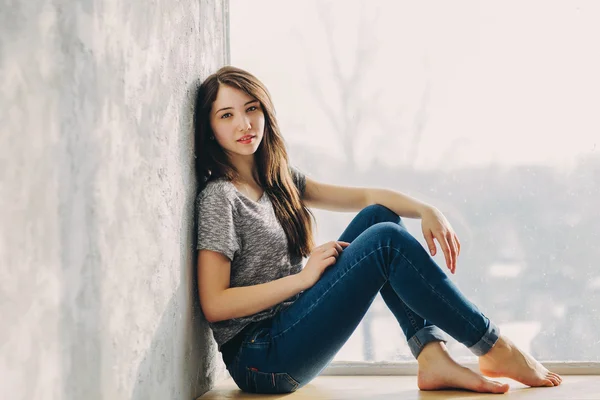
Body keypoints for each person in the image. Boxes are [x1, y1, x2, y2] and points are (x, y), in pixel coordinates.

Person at [193, 65, 562, 395]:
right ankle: (494, 346)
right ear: (211, 130)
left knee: (379, 216)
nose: (244, 124)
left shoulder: (278, 180)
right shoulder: (220, 197)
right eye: (227, 115)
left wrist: (424, 209)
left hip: (291, 328)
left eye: (251, 108)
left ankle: (431, 355)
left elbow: (368, 196)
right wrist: (301, 280)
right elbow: (214, 303)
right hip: (261, 359)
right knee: (385, 241)